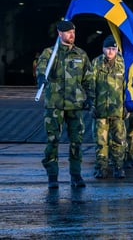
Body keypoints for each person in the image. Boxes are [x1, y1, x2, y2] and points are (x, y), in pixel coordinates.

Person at [35, 20, 93, 188]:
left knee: (76, 141)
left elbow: (88, 78)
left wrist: (90, 97)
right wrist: (41, 77)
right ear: (60, 34)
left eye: (73, 32)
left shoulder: (80, 54)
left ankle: (76, 175)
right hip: (55, 105)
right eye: (68, 32)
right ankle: (52, 176)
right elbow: (42, 67)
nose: (72, 35)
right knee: (53, 141)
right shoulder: (50, 53)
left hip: (75, 105)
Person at [90, 35, 128, 179]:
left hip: (117, 110)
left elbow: (128, 88)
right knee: (101, 142)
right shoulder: (96, 63)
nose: (111, 52)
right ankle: (102, 168)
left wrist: (127, 105)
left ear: (117, 49)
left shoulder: (124, 64)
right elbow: (90, 85)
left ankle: (118, 167)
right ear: (103, 49)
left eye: (113, 49)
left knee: (118, 140)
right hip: (100, 110)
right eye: (108, 49)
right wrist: (91, 104)